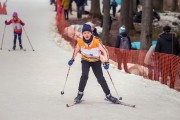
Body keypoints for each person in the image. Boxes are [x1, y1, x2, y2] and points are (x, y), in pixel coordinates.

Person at [68, 24, 119, 104]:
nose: (86, 35)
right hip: (85, 60)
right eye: (84, 33)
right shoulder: (80, 41)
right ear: (82, 34)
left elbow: (105, 51)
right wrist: (72, 59)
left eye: (88, 32)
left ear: (91, 33)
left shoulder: (96, 41)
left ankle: (108, 95)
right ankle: (79, 94)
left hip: (96, 61)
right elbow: (76, 50)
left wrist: (106, 61)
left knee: (100, 78)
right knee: (84, 76)